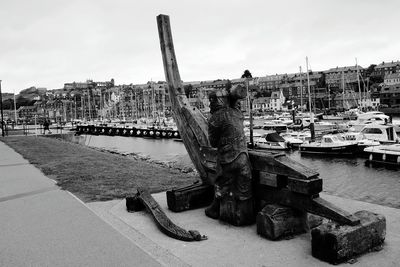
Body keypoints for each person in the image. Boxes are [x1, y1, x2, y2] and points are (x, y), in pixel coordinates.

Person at [205, 86, 254, 226]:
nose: (210, 104)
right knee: (244, 189)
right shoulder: (237, 113)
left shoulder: (215, 118)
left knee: (221, 182)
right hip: (243, 158)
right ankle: (245, 216)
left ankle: (215, 209)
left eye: (212, 100)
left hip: (228, 159)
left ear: (218, 101)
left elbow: (213, 143)